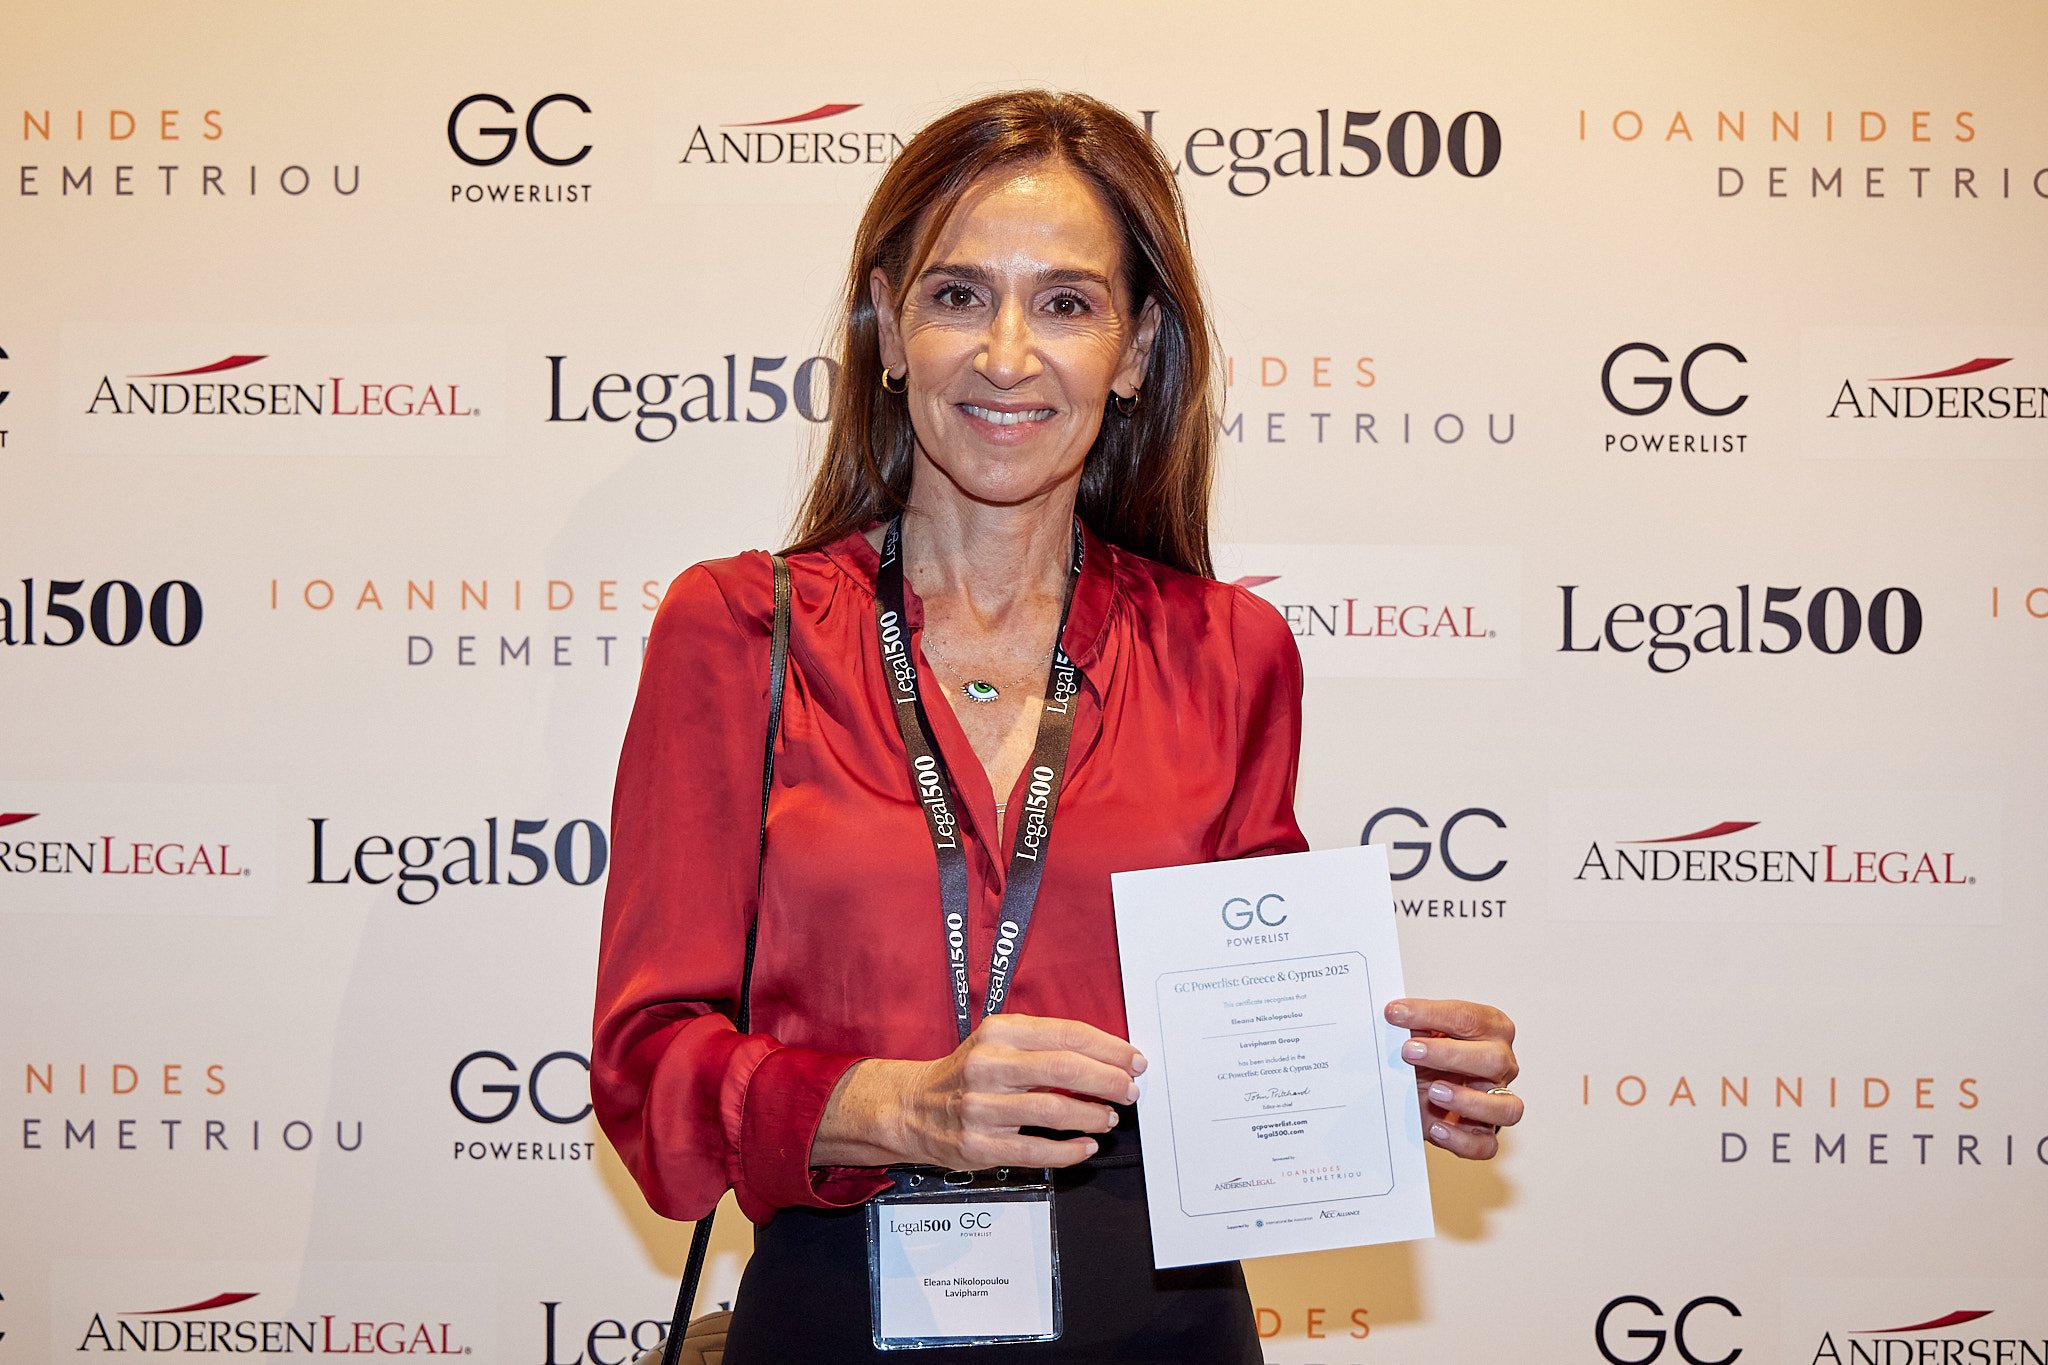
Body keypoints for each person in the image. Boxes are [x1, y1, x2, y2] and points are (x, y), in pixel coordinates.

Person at [593, 89, 1523, 1362]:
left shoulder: (1227, 653)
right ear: (887, 327)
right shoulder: (739, 630)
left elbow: (1244, 1027)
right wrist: (901, 1106)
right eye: (958, 295)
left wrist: (1371, 1083)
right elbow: (647, 1071)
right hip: (836, 1316)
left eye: (1067, 304)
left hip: (1157, 1324)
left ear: (1135, 351)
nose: (1006, 354)